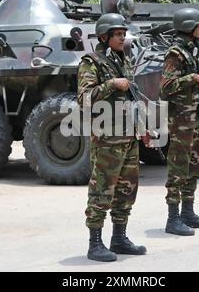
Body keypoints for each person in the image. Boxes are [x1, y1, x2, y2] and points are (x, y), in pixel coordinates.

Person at [77, 13, 146, 262]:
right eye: (118, 35)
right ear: (105, 37)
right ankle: (95, 244)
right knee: (102, 189)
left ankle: (119, 238)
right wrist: (111, 85)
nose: (122, 38)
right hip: (107, 138)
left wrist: (143, 127)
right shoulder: (91, 62)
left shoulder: (123, 60)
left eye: (123, 34)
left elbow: (133, 98)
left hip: (128, 136)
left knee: (127, 190)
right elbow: (84, 98)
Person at [160, 8, 199, 236]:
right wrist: (191, 78)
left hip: (194, 119)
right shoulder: (176, 54)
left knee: (194, 165)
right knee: (178, 167)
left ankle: (188, 212)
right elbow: (165, 87)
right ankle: (173, 218)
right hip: (181, 120)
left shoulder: (192, 50)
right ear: (189, 26)